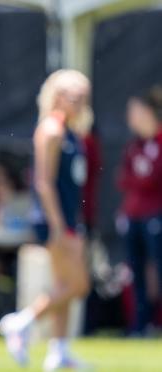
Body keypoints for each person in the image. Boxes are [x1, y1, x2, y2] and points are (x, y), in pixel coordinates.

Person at [0, 70, 92, 371]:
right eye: (72, 96)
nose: (78, 102)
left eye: (82, 97)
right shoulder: (50, 130)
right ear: (57, 96)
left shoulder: (72, 131)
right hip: (54, 219)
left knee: (64, 284)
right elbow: (44, 182)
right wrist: (59, 226)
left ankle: (59, 350)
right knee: (79, 285)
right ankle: (21, 323)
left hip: (67, 217)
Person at [117, 86, 162, 335]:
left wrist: (141, 180)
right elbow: (123, 179)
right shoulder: (134, 145)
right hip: (134, 216)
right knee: (136, 273)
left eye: (134, 111)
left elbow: (153, 179)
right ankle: (140, 324)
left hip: (156, 215)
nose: (130, 116)